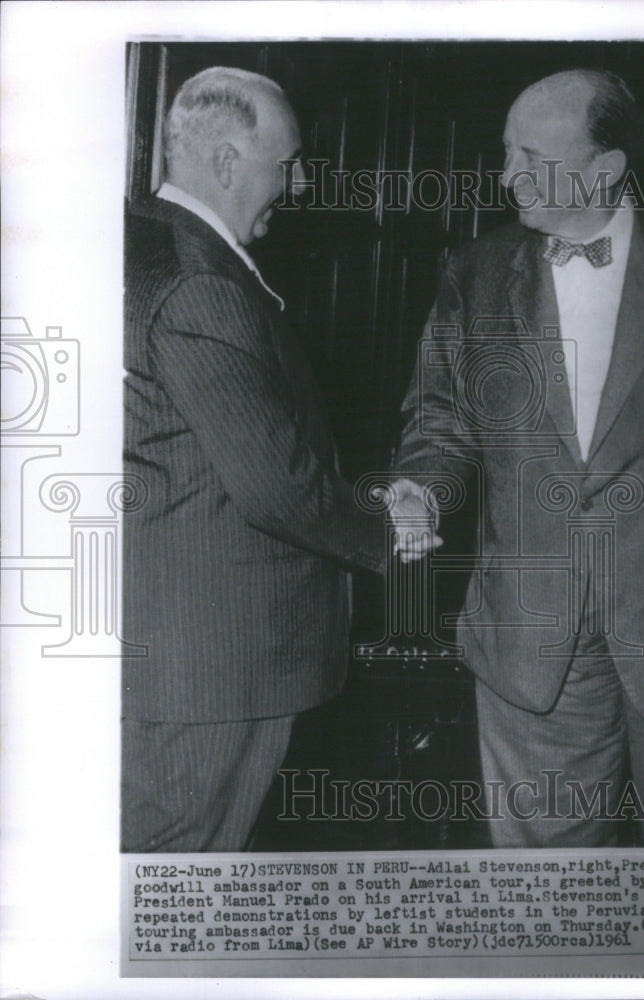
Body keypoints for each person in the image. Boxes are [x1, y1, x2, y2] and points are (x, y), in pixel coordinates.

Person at [393, 69, 644, 847]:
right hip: (530, 635)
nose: (506, 177)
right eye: (506, 152)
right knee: (548, 888)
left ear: (604, 170)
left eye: (531, 156)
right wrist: (421, 489)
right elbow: (441, 419)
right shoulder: (473, 275)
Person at [122, 67, 398, 852]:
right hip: (212, 670)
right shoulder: (198, 283)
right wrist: (391, 541)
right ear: (229, 162)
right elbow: (278, 488)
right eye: (290, 163)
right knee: (176, 891)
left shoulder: (138, 244)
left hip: (169, 655)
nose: (301, 183)